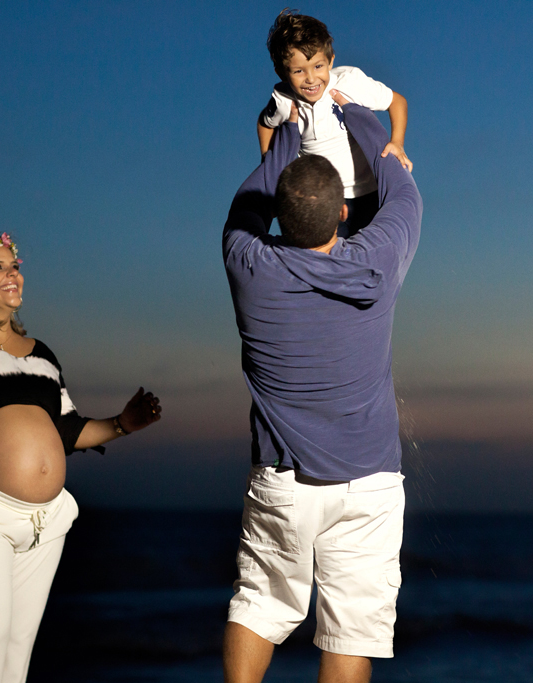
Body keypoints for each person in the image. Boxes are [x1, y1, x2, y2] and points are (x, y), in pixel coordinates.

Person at [221, 90, 422, 683]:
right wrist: (357, 116)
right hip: (369, 484)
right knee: (350, 632)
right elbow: (403, 190)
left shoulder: (246, 265)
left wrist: (288, 124)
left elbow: (249, 198)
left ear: (281, 216)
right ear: (342, 213)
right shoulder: (376, 264)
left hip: (283, 480)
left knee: (259, 604)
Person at [0, 232, 161, 683]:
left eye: (14, 266)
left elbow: (67, 429)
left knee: (18, 646)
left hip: (45, 522)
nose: (12, 274)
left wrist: (123, 423)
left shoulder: (43, 355)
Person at [256, 10, 412, 238]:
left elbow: (397, 101)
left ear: (330, 60)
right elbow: (265, 124)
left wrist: (397, 142)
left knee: (367, 255)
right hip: (320, 198)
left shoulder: (349, 82)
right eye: (299, 71)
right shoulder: (283, 100)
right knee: (325, 260)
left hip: (366, 189)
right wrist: (268, 163)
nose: (311, 78)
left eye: (318, 66)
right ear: (281, 72)